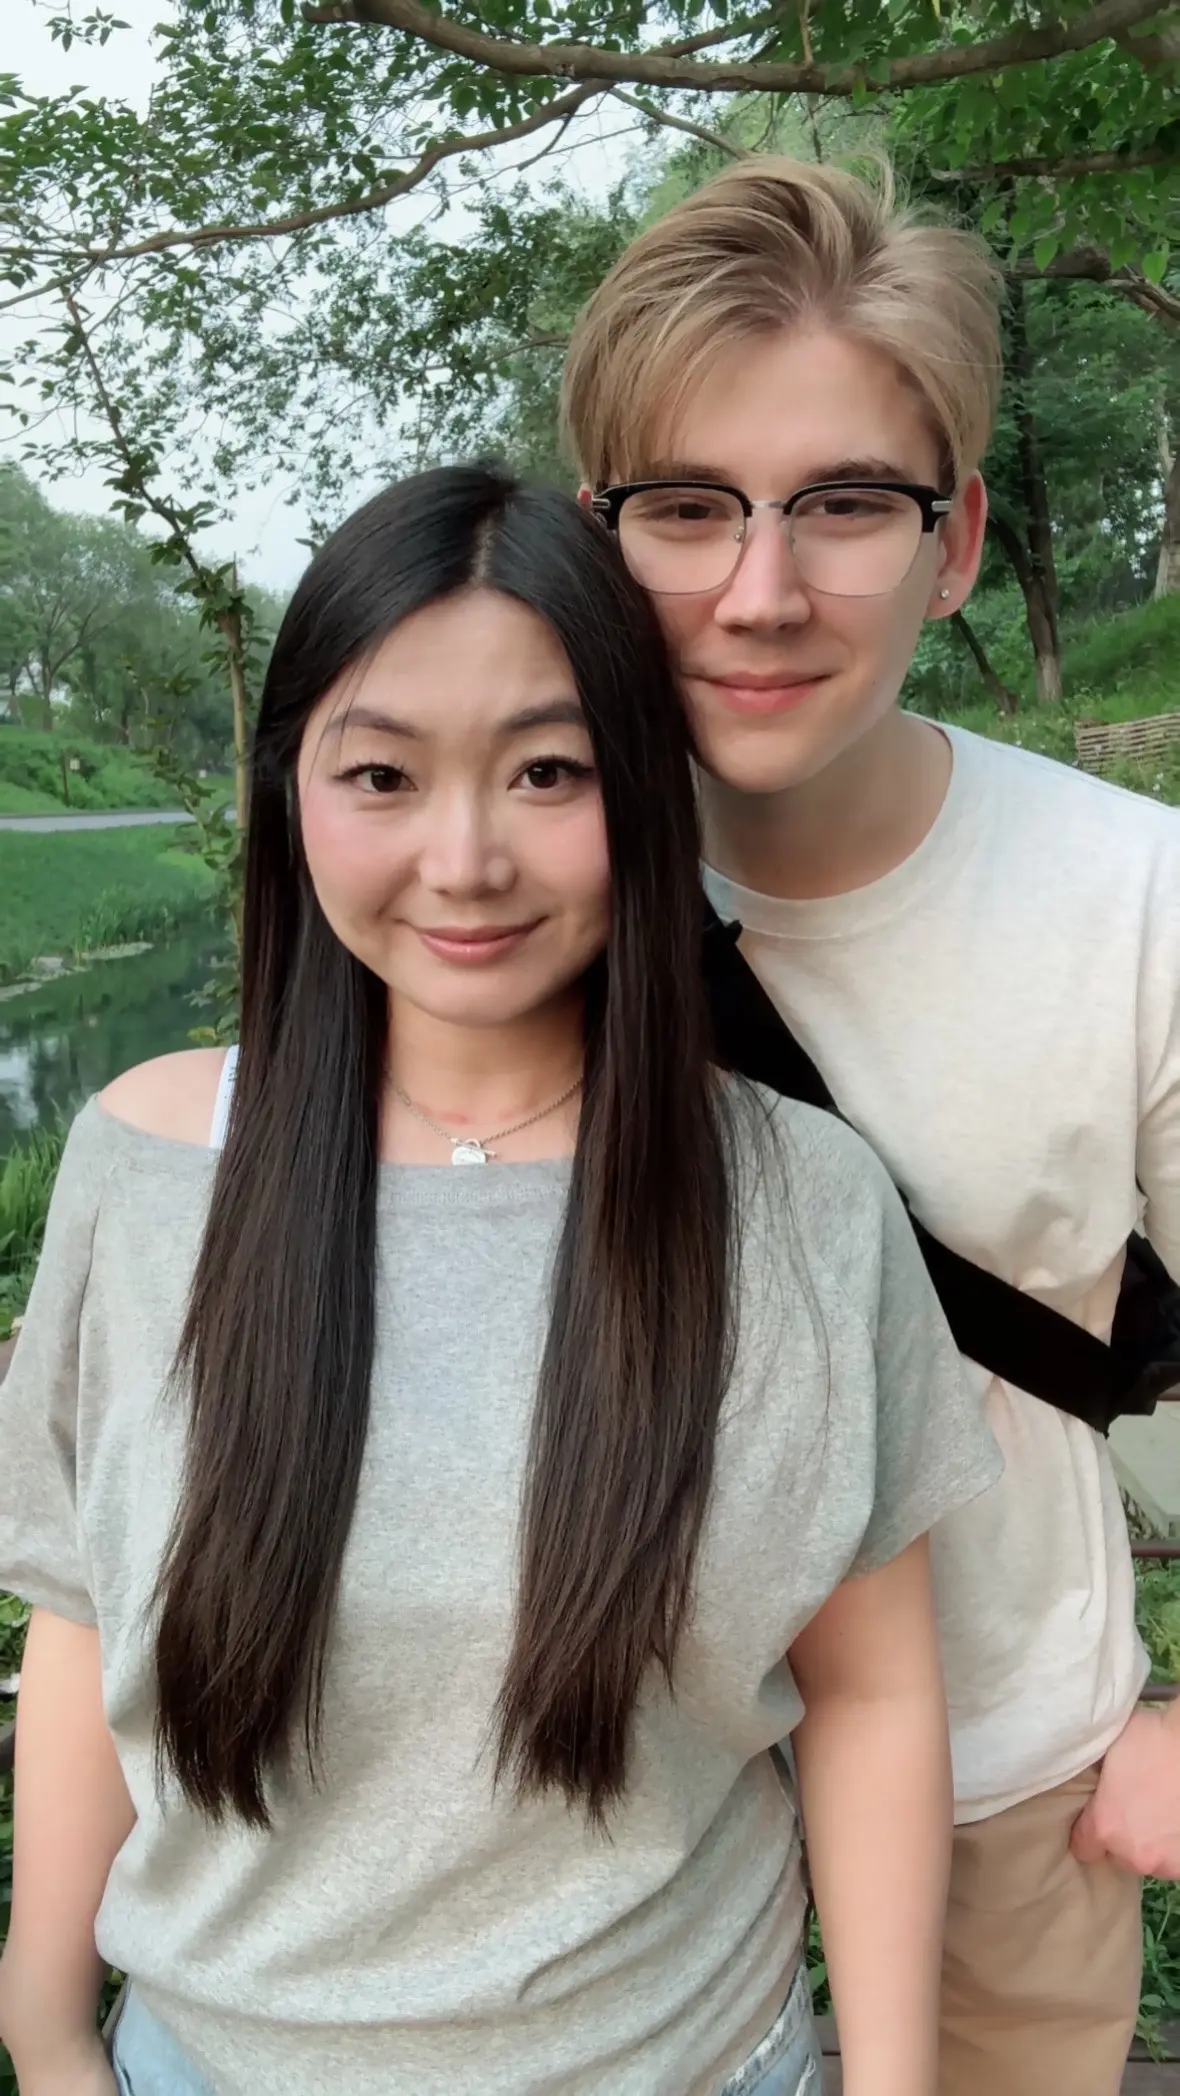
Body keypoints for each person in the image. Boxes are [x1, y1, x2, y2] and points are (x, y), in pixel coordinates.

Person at [0, 466, 999, 2096]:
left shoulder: (799, 1202)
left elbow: (873, 1690)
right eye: (381, 774)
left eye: (549, 770)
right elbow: (83, 1616)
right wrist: (42, 2026)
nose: (465, 861)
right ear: (289, 791)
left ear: (646, 789)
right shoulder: (147, 1164)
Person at [562, 154, 1180, 2096]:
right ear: (595, 543)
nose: (760, 593)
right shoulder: (496, 895)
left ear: (956, 536)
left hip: (1009, 1777)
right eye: (686, 508)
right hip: (617, 1830)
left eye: (842, 503)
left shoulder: (1134, 900)